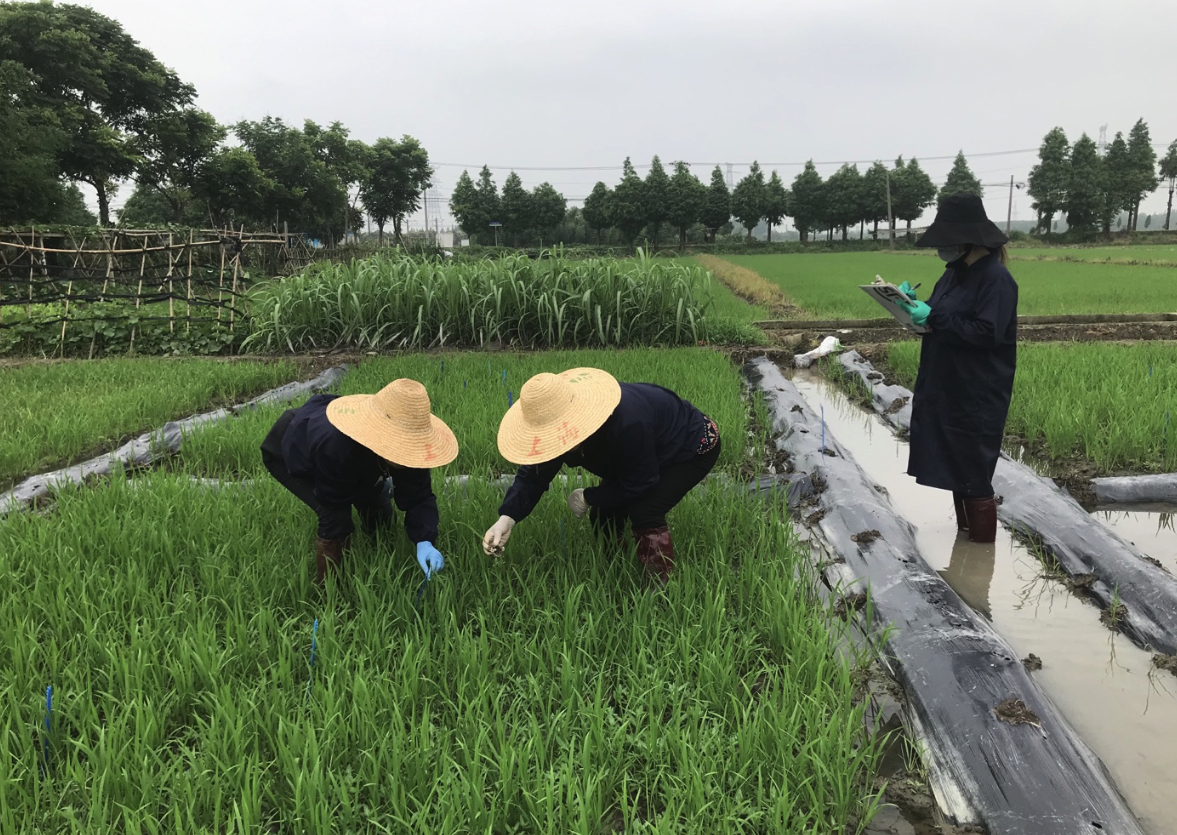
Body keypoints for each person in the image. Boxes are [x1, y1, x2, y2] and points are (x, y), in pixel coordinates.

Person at [481, 367, 721, 587]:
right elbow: (534, 475)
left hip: (689, 448)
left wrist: (588, 495)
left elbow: (641, 483)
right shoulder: (560, 427)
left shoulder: (626, 423)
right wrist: (507, 517)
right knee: (602, 514)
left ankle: (660, 586)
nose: (554, 444)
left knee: (645, 510)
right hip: (640, 451)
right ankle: (616, 566)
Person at [898, 192, 1018, 543]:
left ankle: (981, 555)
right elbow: (937, 319)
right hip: (945, 385)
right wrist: (908, 304)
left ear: (968, 240)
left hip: (976, 393)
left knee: (974, 473)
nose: (942, 248)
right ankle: (965, 538)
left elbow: (986, 334)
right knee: (956, 469)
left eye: (947, 240)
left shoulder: (996, 280)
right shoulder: (952, 275)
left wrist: (934, 315)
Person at [260, 379, 458, 584]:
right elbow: (334, 502)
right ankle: (330, 592)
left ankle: (378, 551)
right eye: (403, 444)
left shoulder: (410, 449)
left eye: (411, 444)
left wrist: (424, 540)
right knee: (335, 517)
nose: (408, 453)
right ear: (382, 436)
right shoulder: (337, 446)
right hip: (292, 453)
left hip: (352, 455)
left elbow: (418, 495)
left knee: (381, 516)